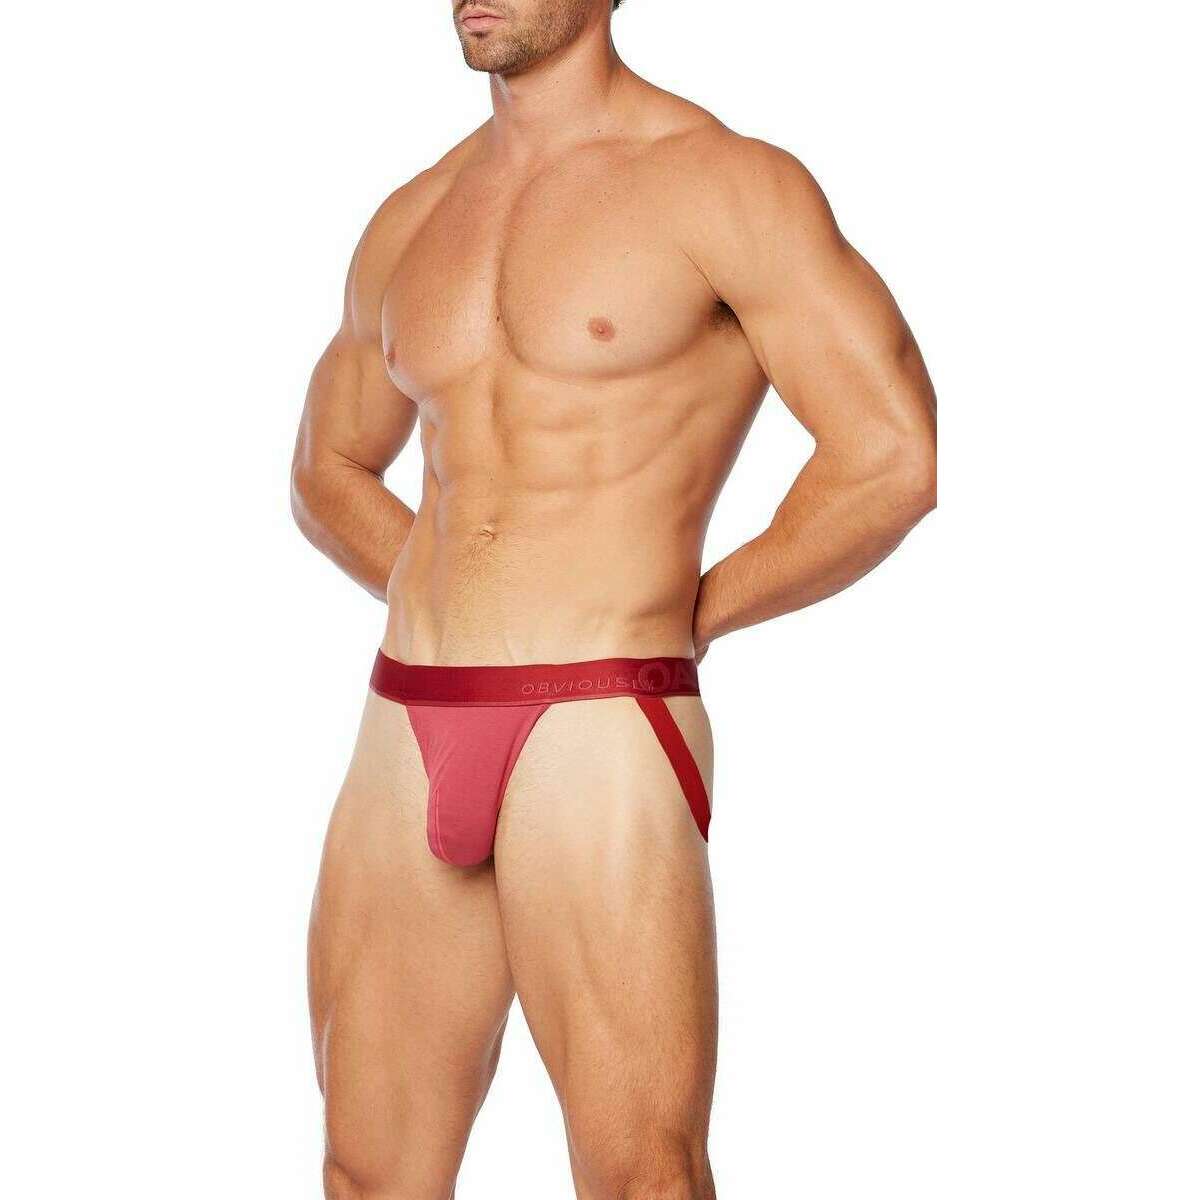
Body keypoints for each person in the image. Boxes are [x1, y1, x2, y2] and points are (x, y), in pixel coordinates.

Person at [290, 1, 937, 1195]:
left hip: (598, 714)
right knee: (365, 1171)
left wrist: (696, 610)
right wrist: (462, 591)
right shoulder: (414, 215)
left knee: (642, 1174)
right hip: (407, 714)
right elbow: (327, 471)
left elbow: (891, 458)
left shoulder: (724, 186)